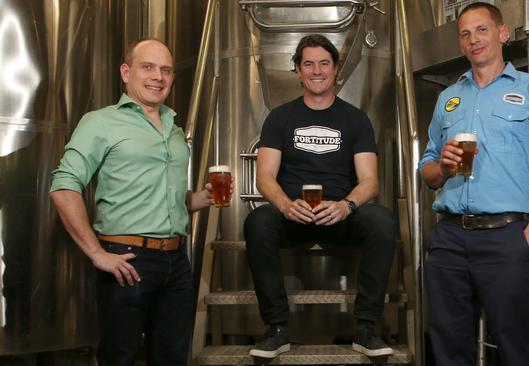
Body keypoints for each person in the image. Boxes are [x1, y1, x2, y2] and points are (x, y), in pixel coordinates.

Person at [50, 38, 216, 366]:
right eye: (148, 67)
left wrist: (198, 199)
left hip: (176, 262)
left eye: (166, 70)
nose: (158, 76)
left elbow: (156, 195)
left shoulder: (173, 127)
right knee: (120, 357)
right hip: (127, 261)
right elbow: (63, 186)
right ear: (126, 72)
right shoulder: (100, 122)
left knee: (171, 358)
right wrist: (97, 253)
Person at [419, 3, 529, 366]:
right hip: (449, 238)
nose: (474, 40)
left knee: (515, 347)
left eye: (482, 30)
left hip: (506, 236)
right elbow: (426, 170)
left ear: (502, 34)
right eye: (465, 34)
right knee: (449, 349)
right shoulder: (447, 99)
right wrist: (444, 167)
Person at [244, 34, 396, 359]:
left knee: (381, 220)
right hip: (293, 216)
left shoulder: (355, 120)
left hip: (340, 216)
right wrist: (285, 205)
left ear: (336, 68)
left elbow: (370, 181)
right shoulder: (280, 118)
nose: (316, 71)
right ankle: (277, 328)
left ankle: (366, 328)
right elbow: (264, 177)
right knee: (258, 221)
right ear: (297, 70)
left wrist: (346, 206)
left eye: (324, 63)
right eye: (308, 63)